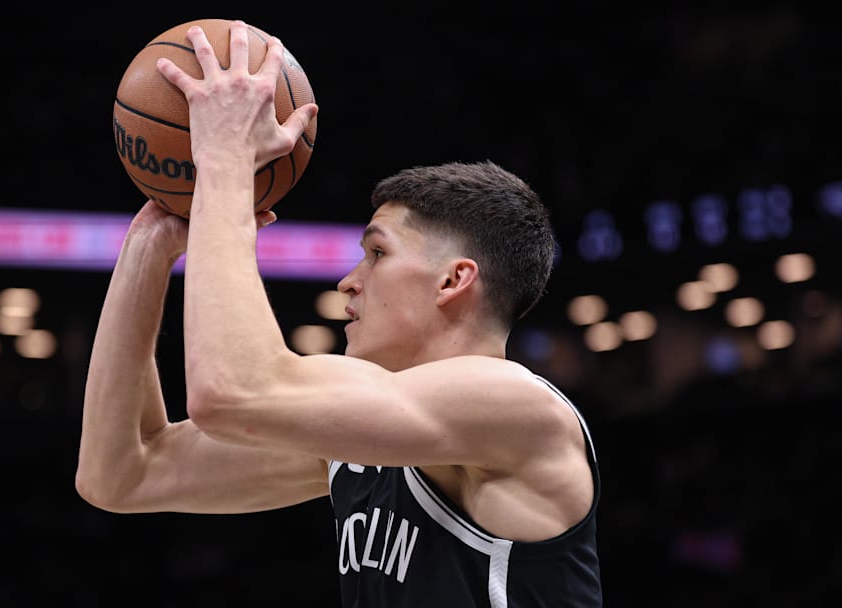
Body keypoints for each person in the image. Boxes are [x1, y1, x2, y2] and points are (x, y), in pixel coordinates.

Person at [76, 20, 602, 607]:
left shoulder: (517, 409)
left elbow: (231, 391)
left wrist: (223, 159)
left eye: (377, 253)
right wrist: (149, 245)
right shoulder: (370, 432)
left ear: (454, 280)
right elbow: (120, 473)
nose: (348, 281)